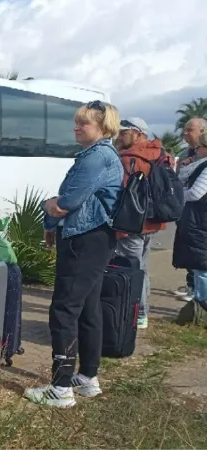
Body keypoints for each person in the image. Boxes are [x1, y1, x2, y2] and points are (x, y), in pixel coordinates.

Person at [23, 100, 123, 408]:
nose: (76, 127)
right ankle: (86, 378)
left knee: (64, 309)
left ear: (104, 127)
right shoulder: (105, 155)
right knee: (88, 308)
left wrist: (49, 207)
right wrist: (54, 214)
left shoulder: (97, 157)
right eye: (77, 122)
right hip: (95, 239)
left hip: (84, 239)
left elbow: (67, 202)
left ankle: (60, 387)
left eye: (84, 123)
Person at [114, 117, 174, 329]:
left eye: (124, 132)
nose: (119, 136)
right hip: (153, 221)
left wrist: (119, 227)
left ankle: (137, 314)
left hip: (132, 223)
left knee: (131, 269)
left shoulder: (130, 157)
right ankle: (142, 312)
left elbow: (120, 195)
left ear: (139, 134)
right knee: (142, 268)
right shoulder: (162, 154)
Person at [172, 129, 207, 315]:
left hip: (201, 221)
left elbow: (195, 193)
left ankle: (202, 308)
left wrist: (177, 196)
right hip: (199, 220)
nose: (196, 151)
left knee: (202, 268)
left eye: (199, 147)